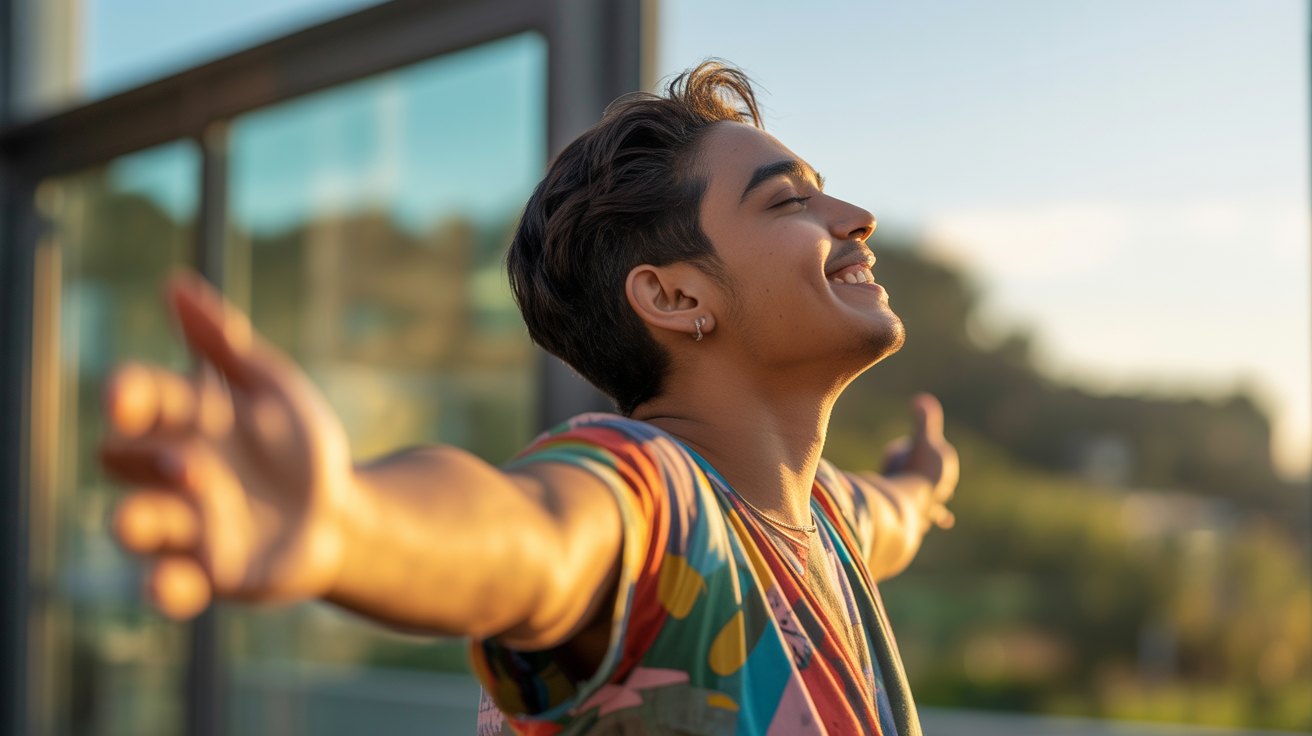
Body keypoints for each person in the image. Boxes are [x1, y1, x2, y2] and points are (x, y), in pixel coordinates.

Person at [100, 61, 958, 736]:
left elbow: (896, 514)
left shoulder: (824, 516)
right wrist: (347, 524)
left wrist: (921, 483)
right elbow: (524, 530)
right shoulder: (650, 497)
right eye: (789, 201)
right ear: (675, 299)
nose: (857, 216)